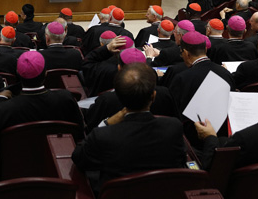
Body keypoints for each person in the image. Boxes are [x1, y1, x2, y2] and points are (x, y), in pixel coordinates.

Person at [72, 62, 184, 191]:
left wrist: (106, 123)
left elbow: (79, 158)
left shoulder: (103, 135)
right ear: (153, 96)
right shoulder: (173, 127)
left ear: (119, 98)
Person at [0, 51, 84, 154]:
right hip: (59, 157)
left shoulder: (5, 108)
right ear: (45, 73)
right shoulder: (66, 99)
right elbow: (80, 133)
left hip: (17, 163)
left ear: (18, 73)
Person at [168, 32, 235, 115]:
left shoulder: (182, 78)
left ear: (186, 53)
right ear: (206, 50)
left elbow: (173, 109)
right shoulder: (225, 73)